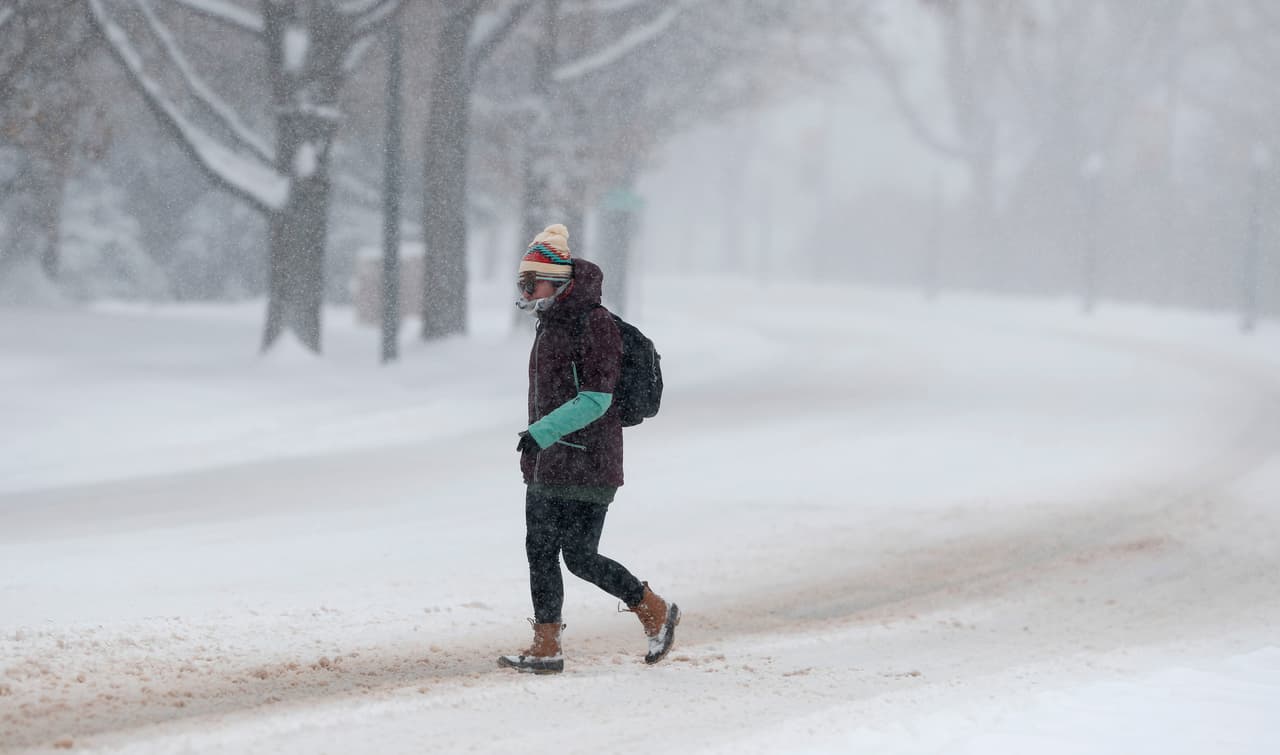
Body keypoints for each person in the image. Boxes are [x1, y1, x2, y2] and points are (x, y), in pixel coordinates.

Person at [498, 223, 680, 675]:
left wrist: (541, 431)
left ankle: (653, 608)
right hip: (547, 460)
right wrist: (539, 442)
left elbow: (597, 399)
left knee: (580, 556)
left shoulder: (595, 324)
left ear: (558, 281)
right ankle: (546, 646)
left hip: (588, 461)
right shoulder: (549, 321)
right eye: (522, 281)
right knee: (539, 549)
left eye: (530, 280)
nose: (525, 289)